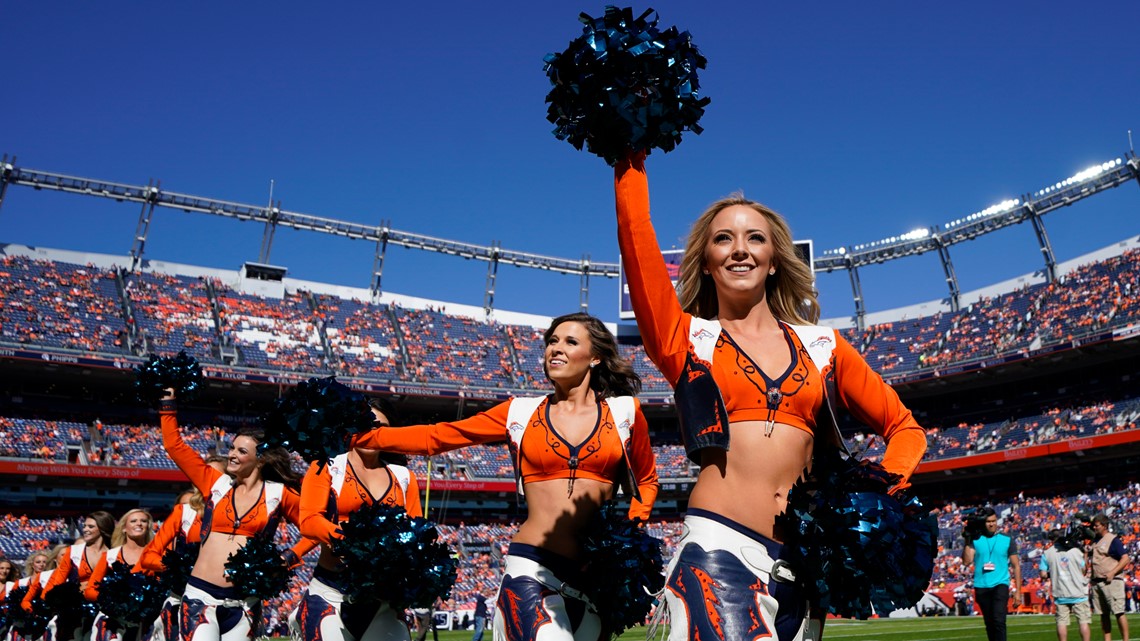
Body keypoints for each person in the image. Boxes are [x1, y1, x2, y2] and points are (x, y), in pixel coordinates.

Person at [613, 152, 926, 641]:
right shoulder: (684, 338)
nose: (739, 250)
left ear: (776, 259)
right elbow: (636, 238)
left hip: (803, 564)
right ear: (707, 262)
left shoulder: (824, 345)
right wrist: (629, 157)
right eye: (723, 239)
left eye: (754, 238)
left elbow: (904, 428)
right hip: (719, 548)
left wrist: (877, 494)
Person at [354, 312, 659, 641]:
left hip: (594, 579)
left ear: (596, 357)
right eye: (552, 342)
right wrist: (362, 439)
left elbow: (646, 481)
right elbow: (438, 437)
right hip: (532, 568)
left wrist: (631, 532)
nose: (555, 349)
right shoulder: (520, 412)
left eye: (570, 342)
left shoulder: (626, 412)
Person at [160, 389, 307, 641]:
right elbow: (174, 445)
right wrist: (168, 402)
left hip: (244, 603)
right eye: (232, 448)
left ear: (260, 460)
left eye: (241, 451)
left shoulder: (278, 494)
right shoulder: (214, 483)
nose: (232, 454)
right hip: (200, 597)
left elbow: (315, 527)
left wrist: (289, 556)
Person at [292, 397, 423, 641]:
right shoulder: (327, 466)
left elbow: (416, 534)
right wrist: (353, 543)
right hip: (331, 594)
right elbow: (309, 521)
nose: (372, 432)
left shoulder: (405, 477)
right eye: (364, 424)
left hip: (384, 601)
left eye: (380, 427)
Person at [136, 459, 228, 641]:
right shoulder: (184, 512)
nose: (207, 479)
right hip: (184, 599)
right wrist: (178, 569)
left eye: (215, 475)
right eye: (203, 473)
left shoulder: (241, 514)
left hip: (226, 601)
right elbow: (148, 556)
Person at [33, 512, 115, 641]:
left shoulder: (114, 553)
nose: (85, 530)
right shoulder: (74, 552)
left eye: (91, 527)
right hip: (73, 612)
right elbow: (57, 582)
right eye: (85, 526)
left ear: (103, 528)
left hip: (103, 610)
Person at [84, 509, 155, 641]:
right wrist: (114, 601)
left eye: (143, 521)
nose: (139, 524)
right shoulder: (110, 556)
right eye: (133, 521)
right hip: (110, 621)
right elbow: (90, 591)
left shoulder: (156, 556)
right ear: (124, 528)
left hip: (143, 623)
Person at [963, 508, 1021, 641]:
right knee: (989, 623)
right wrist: (967, 540)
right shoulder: (975, 539)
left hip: (1000, 584)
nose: (991, 524)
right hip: (981, 585)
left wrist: (1018, 592)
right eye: (988, 521)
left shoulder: (1007, 540)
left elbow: (1016, 566)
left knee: (999, 620)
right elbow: (967, 561)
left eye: (993, 521)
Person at [1039, 528, 1090, 641]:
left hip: (1060, 592)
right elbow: (1084, 569)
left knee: (1061, 622)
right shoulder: (1075, 551)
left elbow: (1043, 574)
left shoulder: (1047, 553)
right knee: (1083, 621)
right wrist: (1085, 554)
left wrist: (1052, 573)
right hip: (1078, 592)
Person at [1089, 514, 1130, 641]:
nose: (1094, 528)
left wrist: (1112, 572)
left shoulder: (1113, 540)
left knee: (1118, 612)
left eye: (1097, 525)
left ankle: (1126, 639)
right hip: (1097, 581)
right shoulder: (1094, 541)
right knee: (1103, 614)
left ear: (1105, 526)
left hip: (1111, 582)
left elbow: (1125, 558)